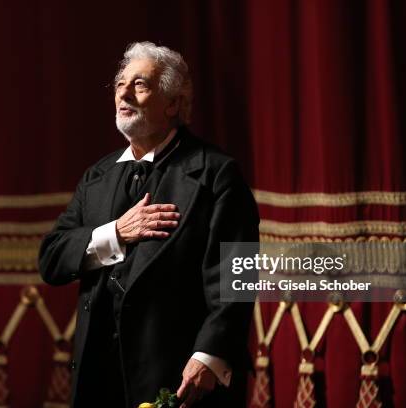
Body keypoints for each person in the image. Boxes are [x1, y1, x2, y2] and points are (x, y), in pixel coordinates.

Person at [39, 41, 259, 408]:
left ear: (173, 104)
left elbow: (238, 273)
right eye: (120, 83)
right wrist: (115, 233)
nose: (124, 92)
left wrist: (210, 354)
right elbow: (51, 259)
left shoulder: (216, 174)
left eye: (141, 84)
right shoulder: (98, 176)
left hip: (178, 376)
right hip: (98, 378)